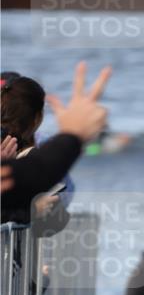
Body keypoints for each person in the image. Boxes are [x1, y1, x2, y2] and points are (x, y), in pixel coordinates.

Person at [1, 62, 110, 208]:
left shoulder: (29, 157)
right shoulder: (41, 148)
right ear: (37, 118)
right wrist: (73, 134)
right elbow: (61, 189)